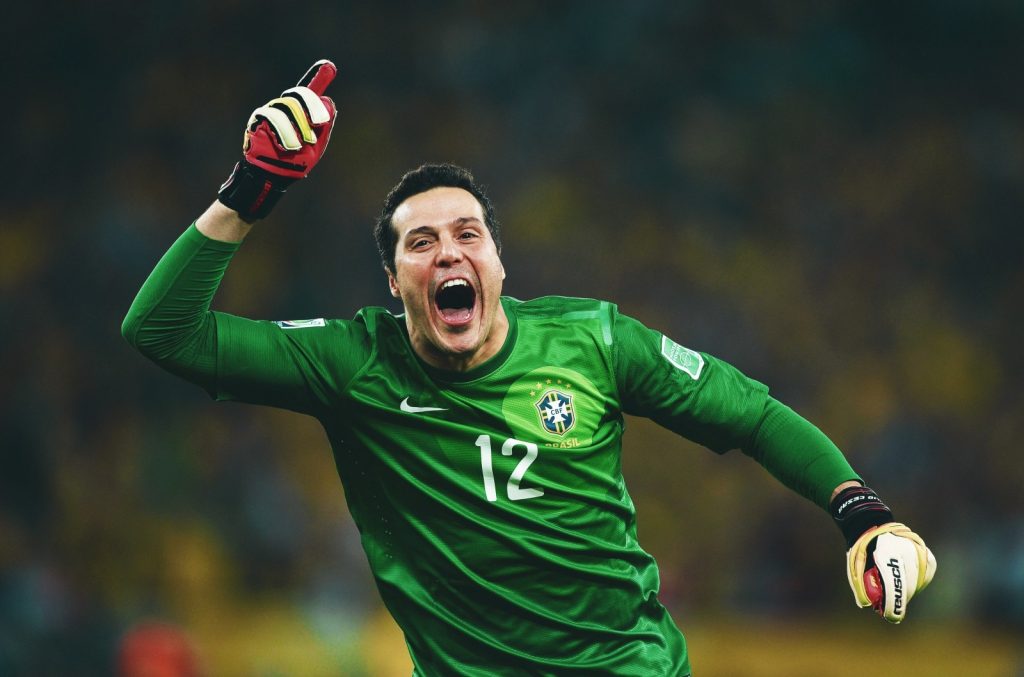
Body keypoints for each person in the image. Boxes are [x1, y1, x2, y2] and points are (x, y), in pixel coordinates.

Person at [123, 60, 936, 676]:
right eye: (421, 242)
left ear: (499, 263)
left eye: (468, 234)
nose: (449, 251)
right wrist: (248, 191)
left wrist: (862, 513)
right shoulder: (351, 362)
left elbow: (751, 415)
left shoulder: (595, 341)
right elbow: (161, 331)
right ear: (395, 281)